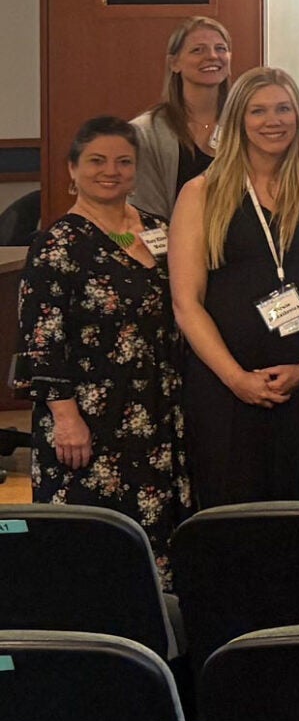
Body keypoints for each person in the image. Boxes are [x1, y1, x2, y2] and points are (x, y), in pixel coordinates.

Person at [15, 117, 192, 577]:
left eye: (123, 162)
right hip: (89, 417)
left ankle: (157, 635)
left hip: (155, 409)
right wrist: (66, 418)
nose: (110, 171)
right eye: (96, 161)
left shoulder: (159, 229)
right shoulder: (56, 243)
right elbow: (41, 338)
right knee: (89, 542)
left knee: (155, 532)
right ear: (72, 169)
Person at [170, 67, 299, 508]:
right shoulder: (202, 192)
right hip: (226, 385)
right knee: (232, 515)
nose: (273, 120)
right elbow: (187, 302)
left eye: (284, 109)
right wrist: (236, 378)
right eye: (258, 111)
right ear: (238, 119)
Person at [131, 16, 232, 218]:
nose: (212, 56)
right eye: (198, 50)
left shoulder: (246, 124)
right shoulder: (145, 132)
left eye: (220, 48)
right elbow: (145, 212)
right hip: (174, 244)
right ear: (174, 63)